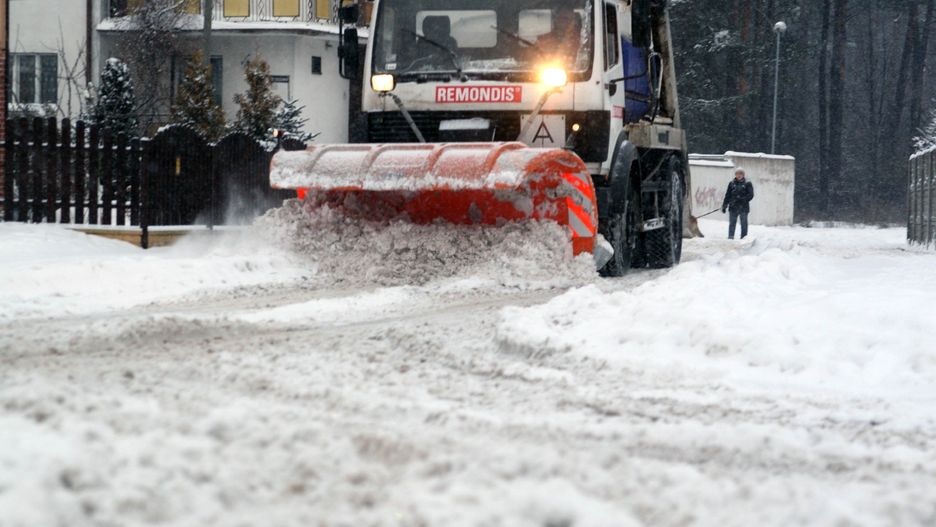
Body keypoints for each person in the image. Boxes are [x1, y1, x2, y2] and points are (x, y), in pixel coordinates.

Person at [722, 168, 755, 239]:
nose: (739, 175)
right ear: (735, 174)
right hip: (733, 207)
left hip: (743, 207)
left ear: (743, 175)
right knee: (732, 224)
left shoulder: (748, 183)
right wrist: (724, 205)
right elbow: (727, 195)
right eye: (737, 173)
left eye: (741, 173)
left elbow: (751, 195)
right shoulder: (731, 183)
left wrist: (742, 199)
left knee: (744, 224)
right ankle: (730, 237)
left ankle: (744, 238)